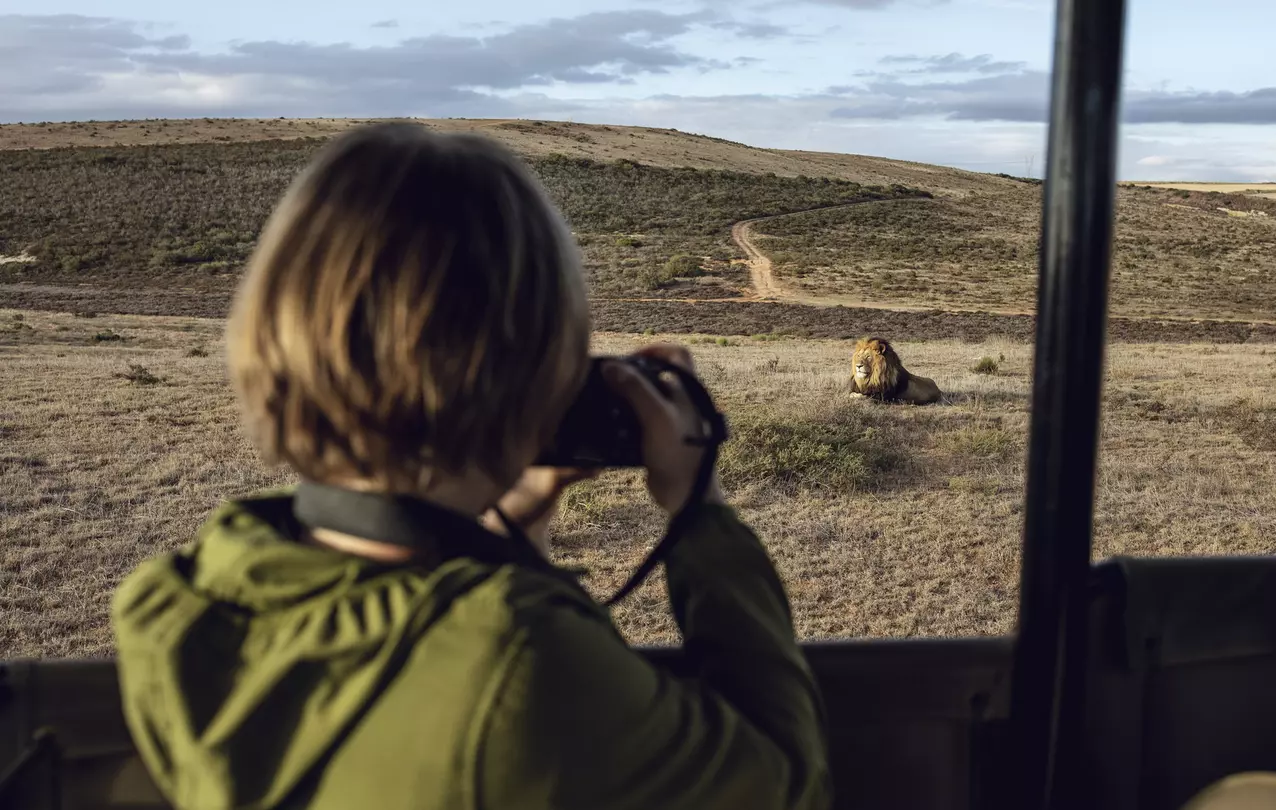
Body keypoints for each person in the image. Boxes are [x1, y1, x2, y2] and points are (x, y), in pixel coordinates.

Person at [110, 122, 831, 810]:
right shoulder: (520, 653)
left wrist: (513, 526)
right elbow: (784, 786)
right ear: (539, 376)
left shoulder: (173, 607)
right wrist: (700, 508)